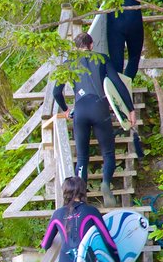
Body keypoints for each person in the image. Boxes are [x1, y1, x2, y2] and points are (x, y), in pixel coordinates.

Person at [52, 32, 135, 207]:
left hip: (80, 111)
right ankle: (105, 183)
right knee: (108, 153)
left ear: (76, 48)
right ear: (91, 45)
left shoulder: (68, 64)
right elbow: (117, 84)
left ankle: (79, 198)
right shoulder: (102, 59)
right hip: (100, 109)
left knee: (82, 157)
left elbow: (56, 92)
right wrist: (130, 109)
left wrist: (66, 110)